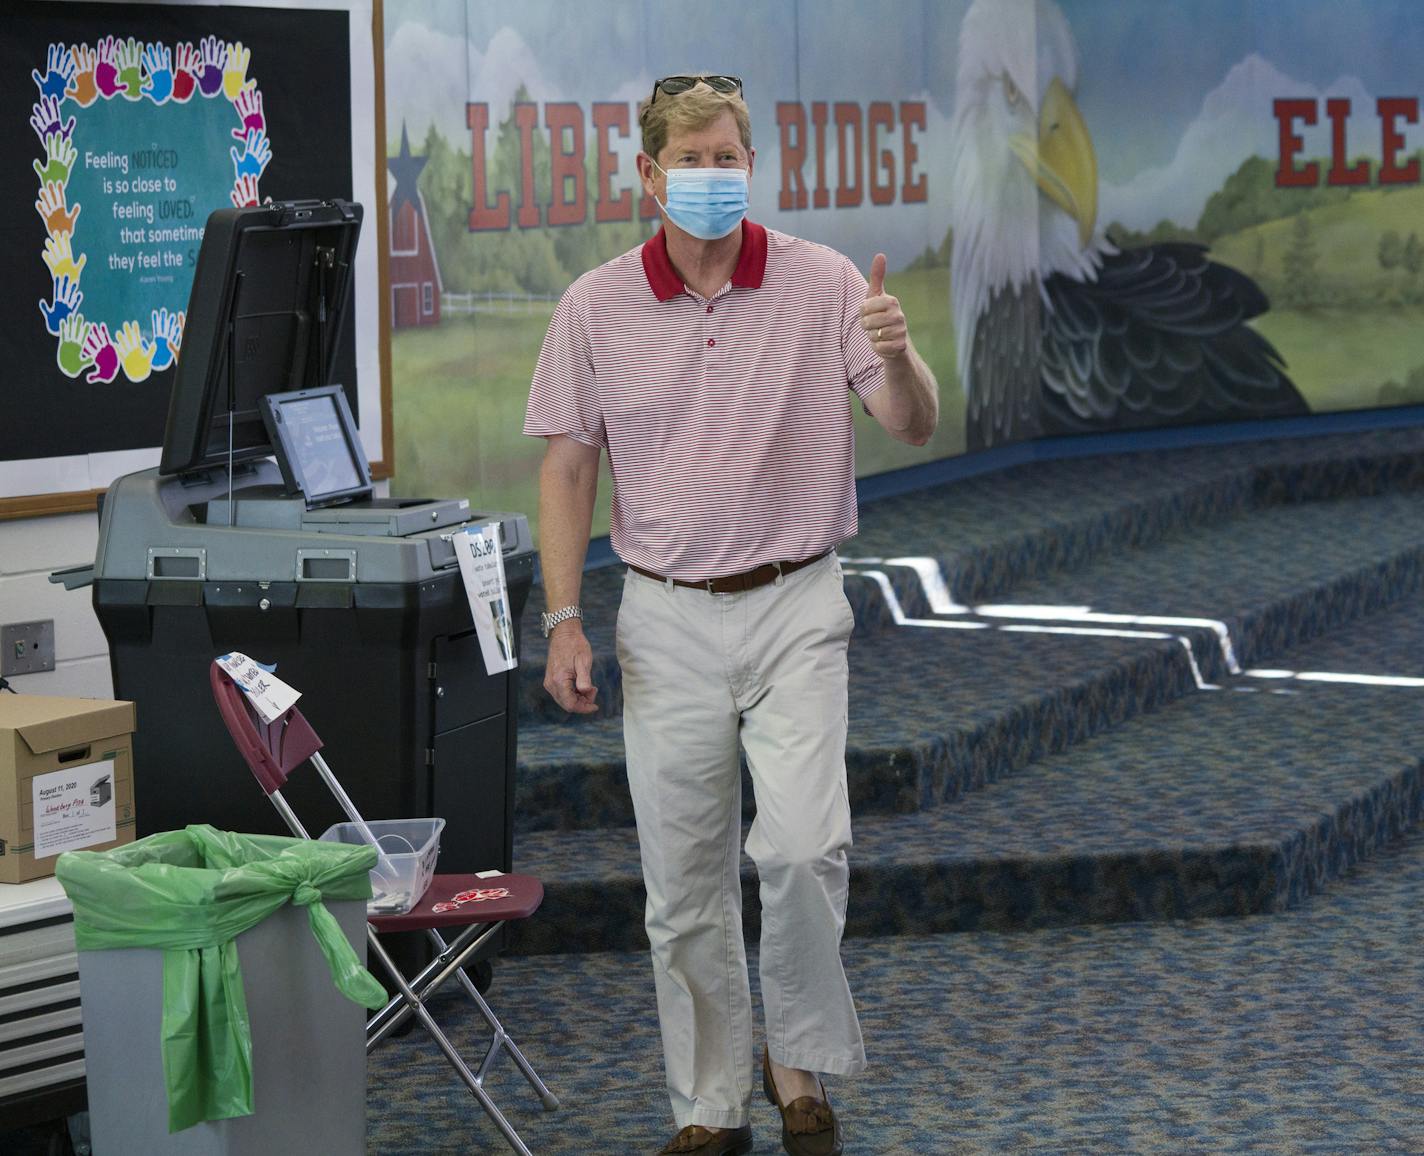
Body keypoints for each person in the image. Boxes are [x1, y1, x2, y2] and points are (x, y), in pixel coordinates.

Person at [525, 73, 938, 1156]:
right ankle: (708, 1102)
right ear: (648, 174)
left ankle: (793, 1060)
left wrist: (894, 351)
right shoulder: (594, 304)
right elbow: (568, 470)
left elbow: (911, 422)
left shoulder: (822, 281)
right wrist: (563, 616)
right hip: (662, 616)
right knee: (684, 882)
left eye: (729, 158)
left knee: (803, 850)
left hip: (797, 603)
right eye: (692, 159)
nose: (713, 176)